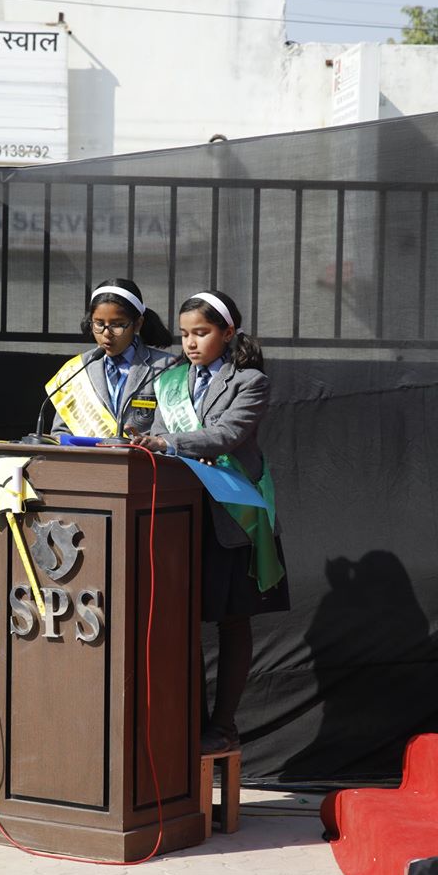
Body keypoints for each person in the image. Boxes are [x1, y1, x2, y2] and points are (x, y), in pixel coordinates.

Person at [129, 289, 289, 755]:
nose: (191, 343)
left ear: (228, 332)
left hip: (232, 516)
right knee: (179, 619)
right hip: (179, 515)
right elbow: (157, 432)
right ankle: (186, 722)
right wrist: (148, 440)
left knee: (232, 621)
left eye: (201, 332)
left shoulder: (250, 382)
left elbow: (227, 434)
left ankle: (222, 727)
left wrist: (167, 443)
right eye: (184, 334)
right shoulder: (170, 381)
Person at [48, 278, 175, 439]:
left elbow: (172, 434)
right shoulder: (76, 370)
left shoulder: (167, 368)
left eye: (117, 324)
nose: (107, 333)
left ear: (137, 324)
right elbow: (60, 432)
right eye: (99, 324)